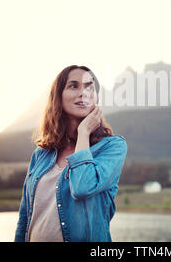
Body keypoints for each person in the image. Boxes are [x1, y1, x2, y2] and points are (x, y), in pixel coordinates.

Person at [14, 65, 127, 242]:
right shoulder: (41, 154)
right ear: (58, 97)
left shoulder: (112, 147)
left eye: (89, 87)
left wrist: (84, 133)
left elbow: (83, 187)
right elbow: (25, 218)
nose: (83, 93)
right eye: (74, 86)